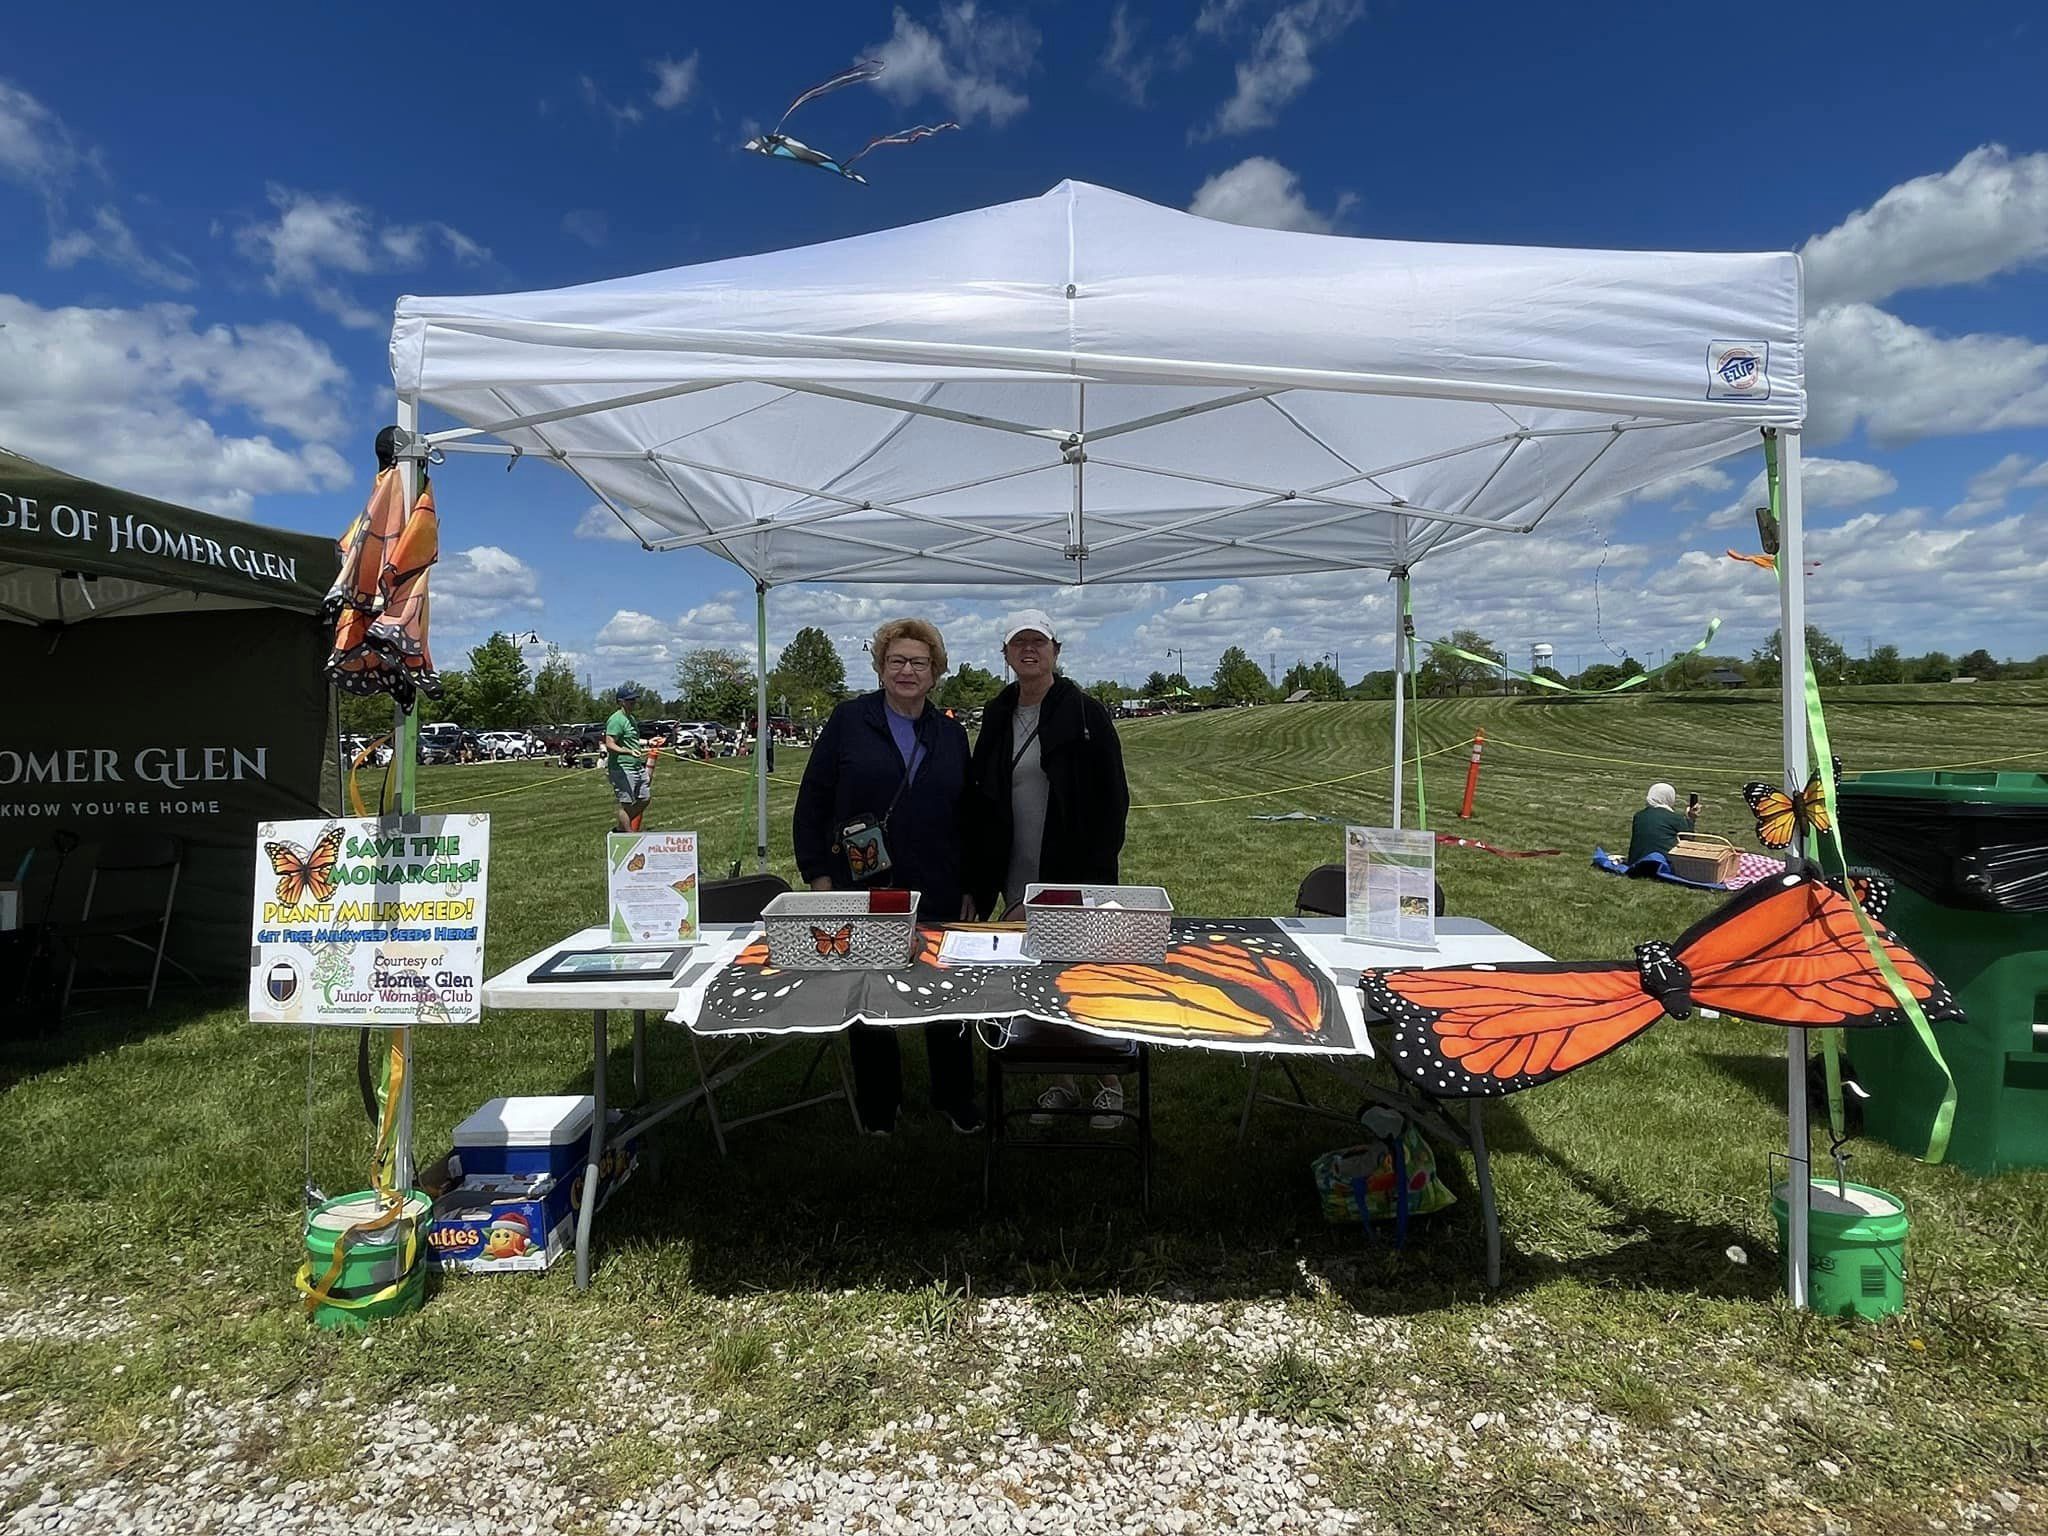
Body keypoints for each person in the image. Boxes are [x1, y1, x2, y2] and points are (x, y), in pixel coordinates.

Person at [793, 619, 980, 1136]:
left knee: (947, 991)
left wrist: (972, 884)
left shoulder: (949, 733)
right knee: (870, 993)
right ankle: (880, 1101)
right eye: (896, 660)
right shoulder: (848, 721)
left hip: (939, 882)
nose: (907, 670)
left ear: (935, 671)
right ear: (879, 667)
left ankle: (956, 1095)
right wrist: (818, 877)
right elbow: (813, 803)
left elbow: (968, 815)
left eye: (919, 662)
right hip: (863, 886)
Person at [967, 609, 1132, 1131]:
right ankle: (1060, 1079)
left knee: (1080, 976)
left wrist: (1090, 873)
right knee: (1035, 976)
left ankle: (1109, 1084)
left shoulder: (1085, 711)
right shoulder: (997, 713)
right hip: (1015, 862)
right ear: (1006, 656)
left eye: (1038, 642)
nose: (1029, 651)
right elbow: (981, 796)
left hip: (1073, 867)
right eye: (1019, 644)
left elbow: (1113, 799)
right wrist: (981, 881)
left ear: (1056, 651)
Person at [601, 686, 664, 834]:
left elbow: (632, 740)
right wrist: (628, 752)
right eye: (630, 700)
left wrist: (649, 742)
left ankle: (619, 829)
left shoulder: (631, 718)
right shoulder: (616, 720)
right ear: (621, 702)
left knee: (645, 798)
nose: (633, 703)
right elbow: (610, 744)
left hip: (636, 766)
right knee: (627, 803)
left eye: (634, 700)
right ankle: (629, 835)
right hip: (622, 767)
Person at [1627, 782, 1697, 864]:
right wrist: (1691, 819)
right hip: (1664, 863)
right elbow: (1688, 841)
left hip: (1636, 862)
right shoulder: (1675, 818)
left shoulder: (1639, 816)